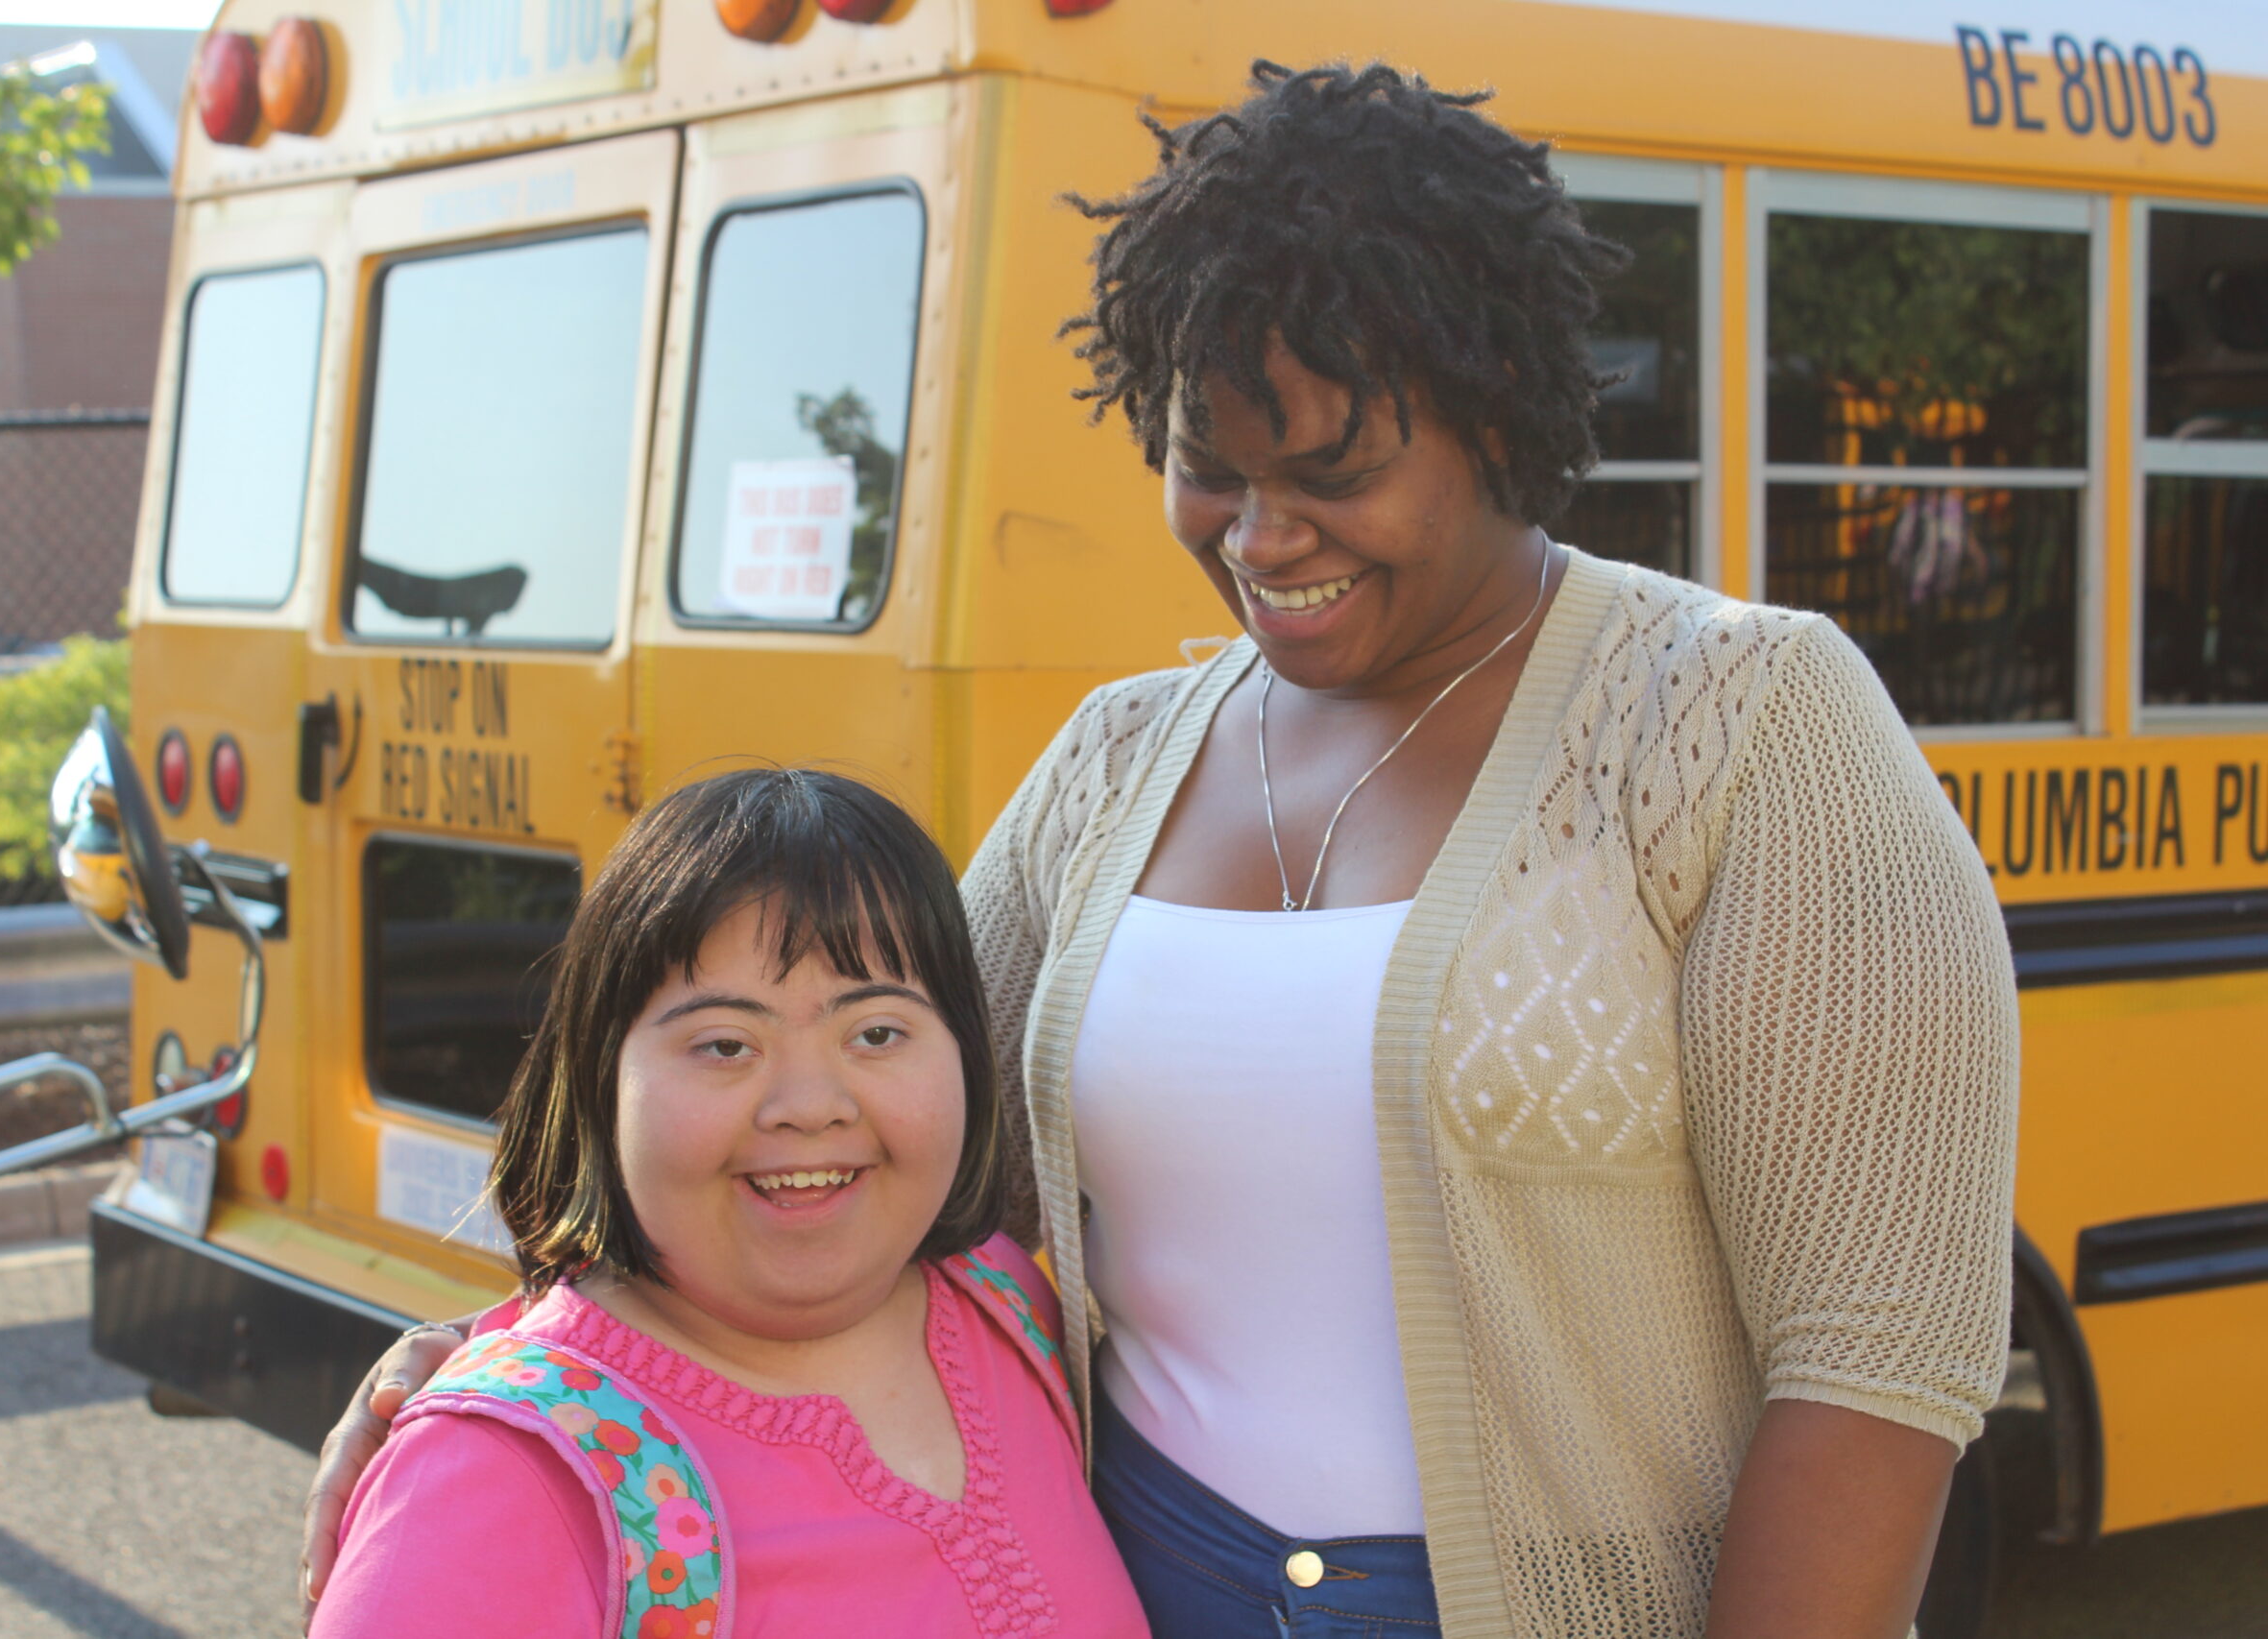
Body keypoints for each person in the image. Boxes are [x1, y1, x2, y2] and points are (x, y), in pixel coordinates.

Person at [307, 61, 2017, 1639]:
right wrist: (529, 1359)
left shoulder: (1744, 720)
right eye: (1211, 470)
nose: (1263, 541)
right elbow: (869, 1123)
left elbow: (1872, 1357)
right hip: (1134, 1578)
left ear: (1502, 419)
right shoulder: (1124, 754)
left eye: (1334, 470)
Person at [306, 768, 1149, 1639]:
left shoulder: (1007, 1305)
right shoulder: (494, 1478)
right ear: (601, 1080)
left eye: (877, 1032)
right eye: (725, 1044)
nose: (810, 1102)